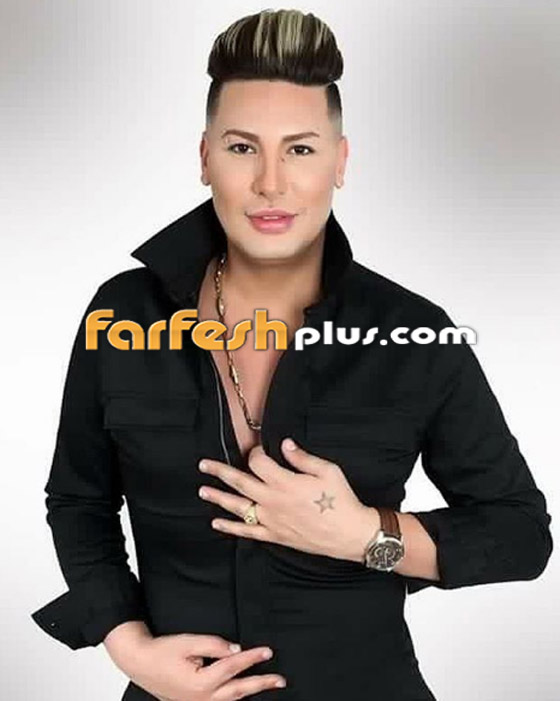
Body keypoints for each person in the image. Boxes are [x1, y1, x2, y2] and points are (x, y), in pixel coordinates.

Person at [31, 8, 553, 701]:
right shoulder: (124, 312)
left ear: (340, 162)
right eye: (242, 148)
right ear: (205, 158)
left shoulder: (414, 334)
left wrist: (366, 535)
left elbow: (520, 533)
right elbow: (78, 500)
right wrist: (131, 650)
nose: (271, 183)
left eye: (301, 150)